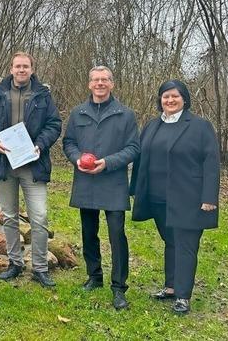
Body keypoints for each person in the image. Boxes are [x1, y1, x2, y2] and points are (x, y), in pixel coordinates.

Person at [130, 80, 219, 314]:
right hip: (157, 197)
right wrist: (134, 189)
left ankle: (183, 295)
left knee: (185, 245)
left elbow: (211, 163)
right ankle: (170, 287)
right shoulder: (152, 125)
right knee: (170, 242)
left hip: (188, 198)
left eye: (175, 96)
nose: (169, 100)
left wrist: (209, 197)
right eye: (165, 97)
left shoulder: (199, 127)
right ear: (160, 100)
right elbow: (141, 158)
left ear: (184, 99)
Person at [0, 51, 62, 288]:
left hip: (33, 163)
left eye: (26, 66)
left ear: (32, 69)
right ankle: (15, 263)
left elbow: (54, 124)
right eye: (18, 66)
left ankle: (40, 268)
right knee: (10, 216)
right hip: (4, 162)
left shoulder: (43, 95)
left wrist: (40, 145)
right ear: (11, 68)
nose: (21, 70)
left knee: (39, 216)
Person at [62, 66, 139, 310]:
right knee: (88, 231)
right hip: (86, 180)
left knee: (117, 235)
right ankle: (94, 276)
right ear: (89, 84)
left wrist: (108, 163)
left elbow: (133, 149)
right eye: (95, 80)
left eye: (104, 80)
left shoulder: (125, 115)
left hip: (113, 180)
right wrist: (76, 158)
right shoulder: (78, 113)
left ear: (112, 84)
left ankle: (119, 287)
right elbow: (69, 142)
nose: (100, 83)